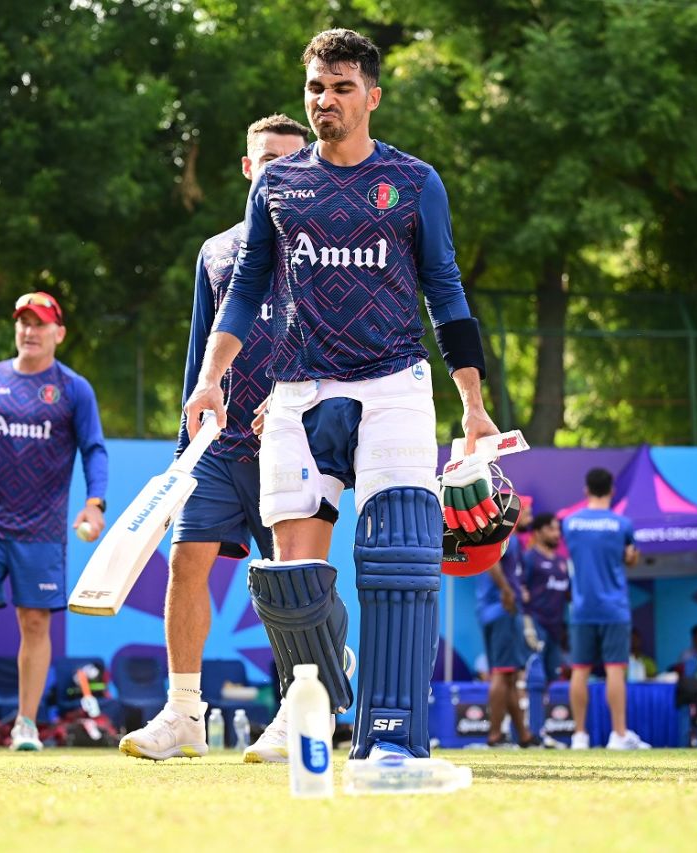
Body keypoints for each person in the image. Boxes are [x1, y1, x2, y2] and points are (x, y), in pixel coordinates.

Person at [183, 28, 502, 761]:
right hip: (297, 390)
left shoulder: (413, 181)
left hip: (393, 384)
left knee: (397, 562)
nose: (325, 100)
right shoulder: (276, 184)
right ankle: (324, 697)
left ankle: (393, 741)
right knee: (291, 579)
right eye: (316, 88)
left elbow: (445, 291)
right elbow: (245, 290)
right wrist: (210, 379)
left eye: (341, 88)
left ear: (372, 97)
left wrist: (472, 403)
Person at [118, 115, 309, 762]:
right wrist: (184, 449)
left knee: (289, 583)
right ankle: (183, 714)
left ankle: (296, 711)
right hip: (218, 447)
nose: (279, 171)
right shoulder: (218, 251)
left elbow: (335, 343)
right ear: (249, 168)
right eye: (269, 160)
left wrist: (294, 399)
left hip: (293, 441)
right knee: (185, 562)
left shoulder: (321, 247)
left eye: (293, 161)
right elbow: (202, 351)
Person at [0, 292, 109, 751]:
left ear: (59, 333)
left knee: (34, 622)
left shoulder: (74, 389)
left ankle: (25, 724)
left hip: (42, 528)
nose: (30, 331)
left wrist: (95, 503)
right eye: (23, 322)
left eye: (40, 323)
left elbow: (94, 449)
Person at [562, 468, 649, 750]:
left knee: (580, 670)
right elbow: (630, 558)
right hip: (614, 608)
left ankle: (579, 736)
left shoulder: (570, 524)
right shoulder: (622, 525)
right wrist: (630, 557)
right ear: (612, 490)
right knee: (615, 670)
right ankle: (618, 734)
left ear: (586, 490)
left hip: (582, 607)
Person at [476, 538, 537, 747]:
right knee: (502, 674)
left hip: (490, 610)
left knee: (508, 674)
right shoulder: (505, 536)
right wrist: (508, 591)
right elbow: (492, 562)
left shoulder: (496, 534)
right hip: (503, 610)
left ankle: (524, 736)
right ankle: (495, 735)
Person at [522, 512, 570, 680]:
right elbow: (521, 591)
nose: (557, 534)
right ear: (537, 532)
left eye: (558, 529)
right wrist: (527, 624)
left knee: (553, 678)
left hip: (556, 629)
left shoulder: (562, 562)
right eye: (551, 529)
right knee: (534, 678)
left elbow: (569, 593)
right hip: (536, 625)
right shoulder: (529, 558)